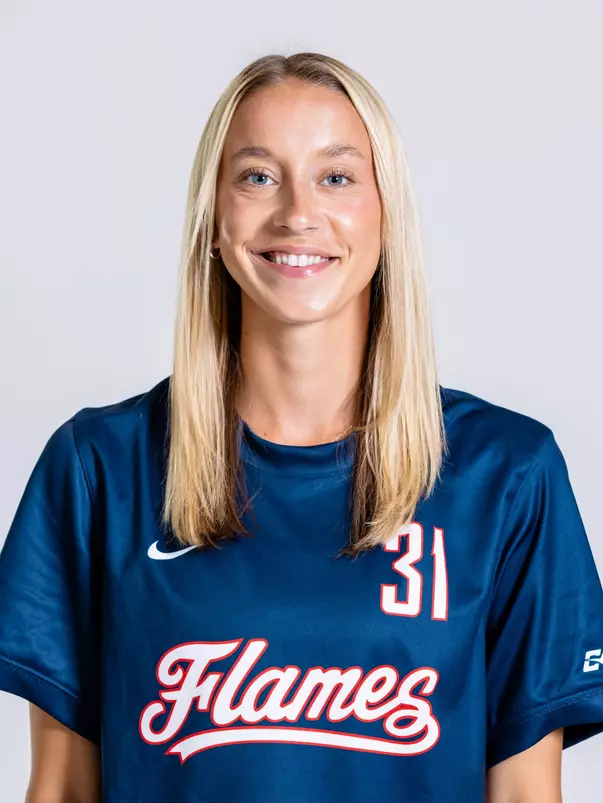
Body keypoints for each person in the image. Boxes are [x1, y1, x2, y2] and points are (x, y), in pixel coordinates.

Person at [0, 51, 602, 803]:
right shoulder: (97, 469)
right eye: (256, 175)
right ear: (213, 219)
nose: (296, 213)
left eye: (337, 176)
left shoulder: (507, 475)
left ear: (387, 214)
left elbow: (522, 794)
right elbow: (60, 790)